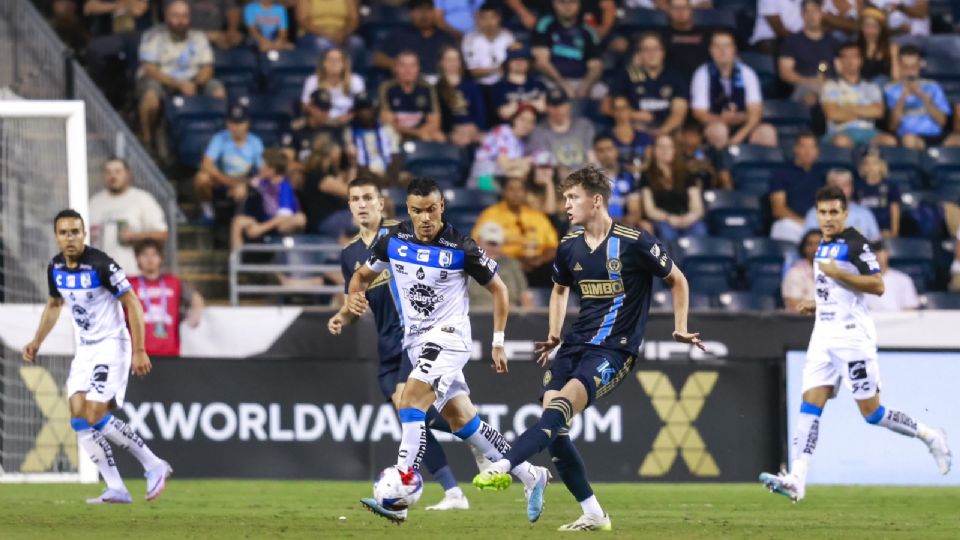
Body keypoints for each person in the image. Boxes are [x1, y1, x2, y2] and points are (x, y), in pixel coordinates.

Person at [473, 166, 703, 531]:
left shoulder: (635, 241)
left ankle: (505, 464)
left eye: (572, 197)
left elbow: (678, 279)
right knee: (556, 429)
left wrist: (680, 327)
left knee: (558, 412)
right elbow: (560, 289)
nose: (566, 205)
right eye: (565, 198)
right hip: (574, 344)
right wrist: (553, 332)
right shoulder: (569, 246)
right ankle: (594, 513)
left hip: (614, 350)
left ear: (596, 201)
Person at [349, 177, 550, 524]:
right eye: (417, 211)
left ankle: (401, 487)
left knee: (409, 400)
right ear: (408, 210)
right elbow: (362, 277)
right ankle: (531, 474)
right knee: (462, 421)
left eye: (431, 210)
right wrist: (353, 295)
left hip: (449, 337)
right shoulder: (392, 240)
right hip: (416, 342)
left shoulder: (462, 247)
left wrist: (498, 341)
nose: (425, 218)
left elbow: (500, 290)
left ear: (441, 206)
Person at [759, 185, 950, 503]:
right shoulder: (823, 245)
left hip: (851, 337)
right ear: (816, 214)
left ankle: (930, 435)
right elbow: (835, 292)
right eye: (823, 212)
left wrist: (840, 274)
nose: (829, 217)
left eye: (834, 212)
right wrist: (815, 304)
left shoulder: (855, 244)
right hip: (823, 335)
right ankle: (798, 479)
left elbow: (877, 285)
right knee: (810, 405)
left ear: (845, 214)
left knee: (872, 413)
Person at [328, 177, 472, 511]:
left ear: (381, 203)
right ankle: (466, 447)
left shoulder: (402, 235)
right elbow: (356, 298)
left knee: (406, 405)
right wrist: (343, 315)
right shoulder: (349, 254)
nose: (361, 204)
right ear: (349, 206)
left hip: (417, 337)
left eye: (367, 198)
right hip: (385, 343)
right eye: (354, 199)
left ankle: (441, 487)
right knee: (414, 416)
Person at [21, 209, 172, 504]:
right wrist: (37, 341)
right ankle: (116, 486)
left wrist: (140, 349)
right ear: (56, 237)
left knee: (95, 413)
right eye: (64, 233)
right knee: (78, 418)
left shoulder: (101, 264)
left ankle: (153, 464)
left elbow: (133, 304)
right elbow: (54, 305)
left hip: (112, 344)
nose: (70, 238)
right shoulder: (55, 268)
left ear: (84, 234)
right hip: (86, 348)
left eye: (75, 232)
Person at [136, 0, 225, 149]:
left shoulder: (198, 37)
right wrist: (177, 84)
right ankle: (147, 138)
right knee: (150, 98)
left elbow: (207, 68)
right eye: (176, 16)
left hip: (192, 80)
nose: (180, 21)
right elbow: (149, 68)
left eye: (184, 16)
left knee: (218, 91)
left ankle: (215, 138)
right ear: (166, 16)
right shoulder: (153, 35)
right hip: (161, 79)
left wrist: (195, 83)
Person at [691, 31, 778, 149]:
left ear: (734, 49)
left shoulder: (747, 73)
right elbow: (699, 113)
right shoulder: (702, 74)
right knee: (719, 130)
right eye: (717, 46)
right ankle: (723, 165)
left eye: (726, 46)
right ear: (711, 50)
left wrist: (740, 136)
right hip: (715, 124)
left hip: (743, 127)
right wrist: (722, 119)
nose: (722, 51)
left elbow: (755, 112)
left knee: (767, 133)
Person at [88, 157, 169, 276]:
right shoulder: (94, 202)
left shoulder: (142, 199)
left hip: (133, 274)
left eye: (118, 171)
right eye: (108, 172)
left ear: (128, 174)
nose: (113, 176)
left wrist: (134, 236)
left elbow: (162, 234)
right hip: (101, 276)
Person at [472, 176, 560, 283]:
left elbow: (553, 246)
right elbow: (478, 244)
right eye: (511, 189)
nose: (516, 193)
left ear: (525, 193)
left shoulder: (537, 216)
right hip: (503, 264)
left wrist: (540, 260)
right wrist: (513, 262)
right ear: (504, 192)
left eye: (520, 189)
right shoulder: (490, 215)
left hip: (537, 266)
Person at [131, 239, 204, 357]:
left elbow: (195, 298)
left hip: (170, 353)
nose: (150, 259)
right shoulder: (128, 284)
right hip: (138, 356)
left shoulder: (173, 282)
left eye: (154, 254)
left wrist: (195, 315)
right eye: (144, 255)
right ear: (137, 258)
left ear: (160, 258)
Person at [607, 33, 688, 137]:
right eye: (646, 49)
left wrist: (662, 132)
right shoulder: (626, 76)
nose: (652, 54)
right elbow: (609, 108)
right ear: (639, 54)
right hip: (635, 130)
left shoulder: (675, 77)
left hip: (666, 132)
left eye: (656, 49)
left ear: (663, 52)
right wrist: (634, 115)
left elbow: (678, 113)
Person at [194, 105, 265, 224]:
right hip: (222, 179)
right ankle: (208, 212)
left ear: (247, 123)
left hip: (244, 180)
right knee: (201, 178)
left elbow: (263, 171)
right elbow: (206, 164)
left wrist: (246, 184)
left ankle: (238, 224)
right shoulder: (220, 138)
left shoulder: (255, 142)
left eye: (240, 123)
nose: (236, 127)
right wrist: (229, 182)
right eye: (233, 123)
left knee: (241, 191)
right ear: (227, 124)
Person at [821, 42, 897, 149]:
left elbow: (878, 112)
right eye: (845, 57)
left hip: (868, 132)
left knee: (889, 141)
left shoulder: (871, 87)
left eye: (854, 57)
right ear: (839, 61)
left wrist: (847, 108)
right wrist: (865, 112)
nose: (850, 61)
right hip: (841, 131)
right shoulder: (831, 86)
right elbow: (833, 114)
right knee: (842, 141)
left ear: (860, 61)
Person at [230, 148, 307, 250]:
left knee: (299, 219)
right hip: (267, 219)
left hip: (282, 224)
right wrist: (242, 187)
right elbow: (245, 185)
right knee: (238, 221)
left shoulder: (285, 187)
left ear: (272, 170)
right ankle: (237, 260)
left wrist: (260, 229)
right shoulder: (263, 181)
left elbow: (283, 217)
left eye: (263, 165)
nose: (260, 168)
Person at [531, 0, 604, 99]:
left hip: (581, 82)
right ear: (554, 4)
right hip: (551, 80)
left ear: (579, 4)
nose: (567, 6)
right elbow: (541, 62)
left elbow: (596, 65)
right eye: (562, 2)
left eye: (572, 2)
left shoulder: (588, 30)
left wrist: (585, 87)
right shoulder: (545, 25)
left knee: (603, 92)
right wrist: (563, 84)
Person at [641, 134, 707, 241]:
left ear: (674, 150)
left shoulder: (687, 174)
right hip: (663, 220)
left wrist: (689, 218)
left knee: (700, 230)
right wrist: (669, 218)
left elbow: (697, 206)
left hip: (688, 219)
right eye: (661, 147)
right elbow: (649, 209)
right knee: (667, 233)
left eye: (669, 147)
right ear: (654, 151)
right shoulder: (647, 176)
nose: (665, 150)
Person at [884, 45, 952, 150]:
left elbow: (942, 121)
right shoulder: (891, 90)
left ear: (920, 65)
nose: (910, 72)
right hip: (908, 136)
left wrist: (923, 96)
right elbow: (893, 126)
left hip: (936, 135)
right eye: (906, 67)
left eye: (914, 67)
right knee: (909, 140)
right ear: (899, 66)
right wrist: (902, 98)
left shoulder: (933, 86)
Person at [373, 0, 456, 81]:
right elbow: (378, 58)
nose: (423, 14)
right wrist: (395, 64)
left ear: (434, 12)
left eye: (427, 9)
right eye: (418, 10)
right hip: (410, 84)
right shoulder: (399, 36)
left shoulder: (446, 37)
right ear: (410, 13)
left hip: (440, 83)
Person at [778, 0, 838, 107]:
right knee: (809, 97)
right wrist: (811, 82)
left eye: (815, 11)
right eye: (807, 12)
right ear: (802, 14)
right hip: (803, 87)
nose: (811, 16)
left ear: (822, 13)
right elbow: (786, 74)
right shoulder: (792, 42)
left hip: (830, 88)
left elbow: (840, 69)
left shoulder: (833, 42)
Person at [379, 51, 446, 143]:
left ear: (418, 68)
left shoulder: (427, 88)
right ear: (396, 68)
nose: (408, 70)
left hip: (422, 131)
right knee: (388, 134)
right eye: (403, 66)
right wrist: (416, 133)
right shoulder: (387, 88)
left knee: (439, 137)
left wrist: (422, 132)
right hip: (399, 132)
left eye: (412, 66)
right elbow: (388, 123)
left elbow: (435, 122)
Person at [529, 88, 596, 177]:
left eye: (561, 104)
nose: (558, 109)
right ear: (547, 108)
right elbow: (545, 163)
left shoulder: (584, 126)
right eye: (553, 105)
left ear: (569, 105)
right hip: (556, 179)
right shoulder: (539, 131)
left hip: (586, 177)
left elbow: (592, 156)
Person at [770, 132, 823, 243]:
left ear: (817, 151)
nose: (808, 152)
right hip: (793, 224)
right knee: (781, 227)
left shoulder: (822, 174)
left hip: (818, 227)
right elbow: (778, 209)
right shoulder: (782, 173)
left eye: (812, 147)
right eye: (803, 147)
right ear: (796, 149)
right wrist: (805, 223)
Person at [467, 221, 533, 309]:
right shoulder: (467, 264)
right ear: (479, 241)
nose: (492, 248)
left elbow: (525, 297)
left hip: (508, 317)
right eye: (489, 243)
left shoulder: (512, 265)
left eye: (495, 244)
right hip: (476, 316)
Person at [803, 169, 881, 242]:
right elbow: (809, 247)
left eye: (845, 185)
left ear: (852, 188)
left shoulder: (865, 213)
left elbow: (876, 243)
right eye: (836, 185)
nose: (840, 189)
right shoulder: (814, 213)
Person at [470, 104, 538, 187]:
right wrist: (527, 160)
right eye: (522, 119)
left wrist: (524, 163)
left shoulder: (522, 143)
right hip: (483, 179)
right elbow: (504, 165)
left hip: (501, 180)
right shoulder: (502, 132)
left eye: (531, 122)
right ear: (514, 119)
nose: (526, 125)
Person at [301, 47, 366, 132]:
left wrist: (349, 117)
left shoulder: (356, 80)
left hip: (350, 123)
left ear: (344, 64)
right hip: (322, 124)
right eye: (330, 60)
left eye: (338, 60)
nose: (334, 63)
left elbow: (362, 105)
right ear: (323, 63)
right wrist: (324, 118)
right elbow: (306, 105)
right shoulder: (313, 80)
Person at [344, 92, 402, 184]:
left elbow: (394, 156)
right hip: (364, 175)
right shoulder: (349, 132)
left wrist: (388, 177)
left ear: (375, 110)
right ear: (356, 112)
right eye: (361, 109)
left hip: (388, 174)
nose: (364, 112)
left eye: (368, 108)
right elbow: (354, 161)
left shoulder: (387, 130)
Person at [436, 46, 487, 146]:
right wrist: (453, 131)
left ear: (460, 62)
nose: (452, 63)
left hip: (473, 128)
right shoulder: (437, 88)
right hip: (451, 131)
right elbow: (440, 117)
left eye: (456, 59)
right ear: (441, 63)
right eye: (448, 59)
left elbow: (481, 111)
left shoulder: (471, 85)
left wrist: (475, 128)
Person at [594, 134, 646, 228]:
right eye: (601, 151)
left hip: (624, 225)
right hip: (599, 227)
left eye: (609, 149)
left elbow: (635, 211)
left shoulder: (629, 176)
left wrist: (622, 224)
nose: (606, 154)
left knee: (645, 227)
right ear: (596, 154)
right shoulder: (590, 180)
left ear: (616, 150)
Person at [462, 3, 515, 90]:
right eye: (484, 18)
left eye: (492, 18)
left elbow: (512, 65)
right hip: (478, 85)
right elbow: (472, 71)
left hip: (504, 84)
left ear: (499, 18)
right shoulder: (469, 39)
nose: (488, 22)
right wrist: (497, 70)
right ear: (479, 20)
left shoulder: (508, 37)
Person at [489, 45, 548, 123]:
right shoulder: (498, 87)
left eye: (523, 59)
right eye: (514, 59)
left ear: (529, 62)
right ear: (507, 63)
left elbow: (544, 109)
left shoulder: (539, 84)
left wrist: (516, 106)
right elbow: (504, 114)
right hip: (509, 130)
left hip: (539, 129)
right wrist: (532, 103)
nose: (519, 62)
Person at [664, 0, 711, 84]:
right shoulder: (662, 36)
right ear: (669, 11)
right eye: (676, 8)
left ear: (691, 10)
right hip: (672, 84)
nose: (680, 11)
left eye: (684, 7)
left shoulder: (706, 34)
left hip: (702, 81)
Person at [863, 242, 919, 312]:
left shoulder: (903, 279)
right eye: (873, 253)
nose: (876, 256)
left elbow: (911, 308)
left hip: (900, 321)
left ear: (887, 254)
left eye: (879, 252)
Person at [857, 149, 901, 238]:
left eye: (875, 163)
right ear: (862, 167)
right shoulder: (857, 187)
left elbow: (895, 211)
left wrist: (893, 233)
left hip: (885, 232)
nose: (871, 167)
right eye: (867, 163)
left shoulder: (890, 186)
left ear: (881, 165)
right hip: (863, 232)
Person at [607, 96, 653, 176]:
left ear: (630, 110)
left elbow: (649, 162)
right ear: (613, 112)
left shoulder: (644, 136)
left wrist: (638, 168)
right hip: (617, 178)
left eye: (623, 108)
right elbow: (608, 163)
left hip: (644, 178)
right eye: (616, 109)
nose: (620, 112)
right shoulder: (608, 138)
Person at [295, 0, 360, 54]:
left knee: (356, 43)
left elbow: (353, 19)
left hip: (341, 33)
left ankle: (349, 69)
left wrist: (343, 33)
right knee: (323, 43)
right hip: (313, 34)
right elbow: (303, 20)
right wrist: (325, 34)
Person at [782, 229, 822, 312]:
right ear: (803, 249)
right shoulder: (795, 272)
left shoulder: (838, 271)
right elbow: (794, 306)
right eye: (810, 244)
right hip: (803, 321)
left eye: (819, 244)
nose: (815, 248)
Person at [858, 7, 899, 83]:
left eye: (874, 27)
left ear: (880, 29)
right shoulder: (856, 47)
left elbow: (896, 78)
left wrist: (894, 56)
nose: (870, 31)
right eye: (867, 26)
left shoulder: (890, 47)